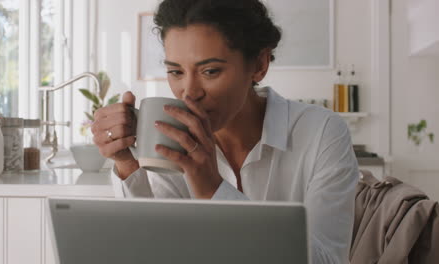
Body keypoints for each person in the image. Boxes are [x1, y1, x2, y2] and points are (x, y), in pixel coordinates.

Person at [92, 0, 359, 263]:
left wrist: (212, 190)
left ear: (258, 65)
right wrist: (127, 164)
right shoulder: (173, 140)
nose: (189, 92)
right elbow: (157, 248)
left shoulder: (321, 132)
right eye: (176, 71)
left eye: (210, 71)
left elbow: (328, 261)